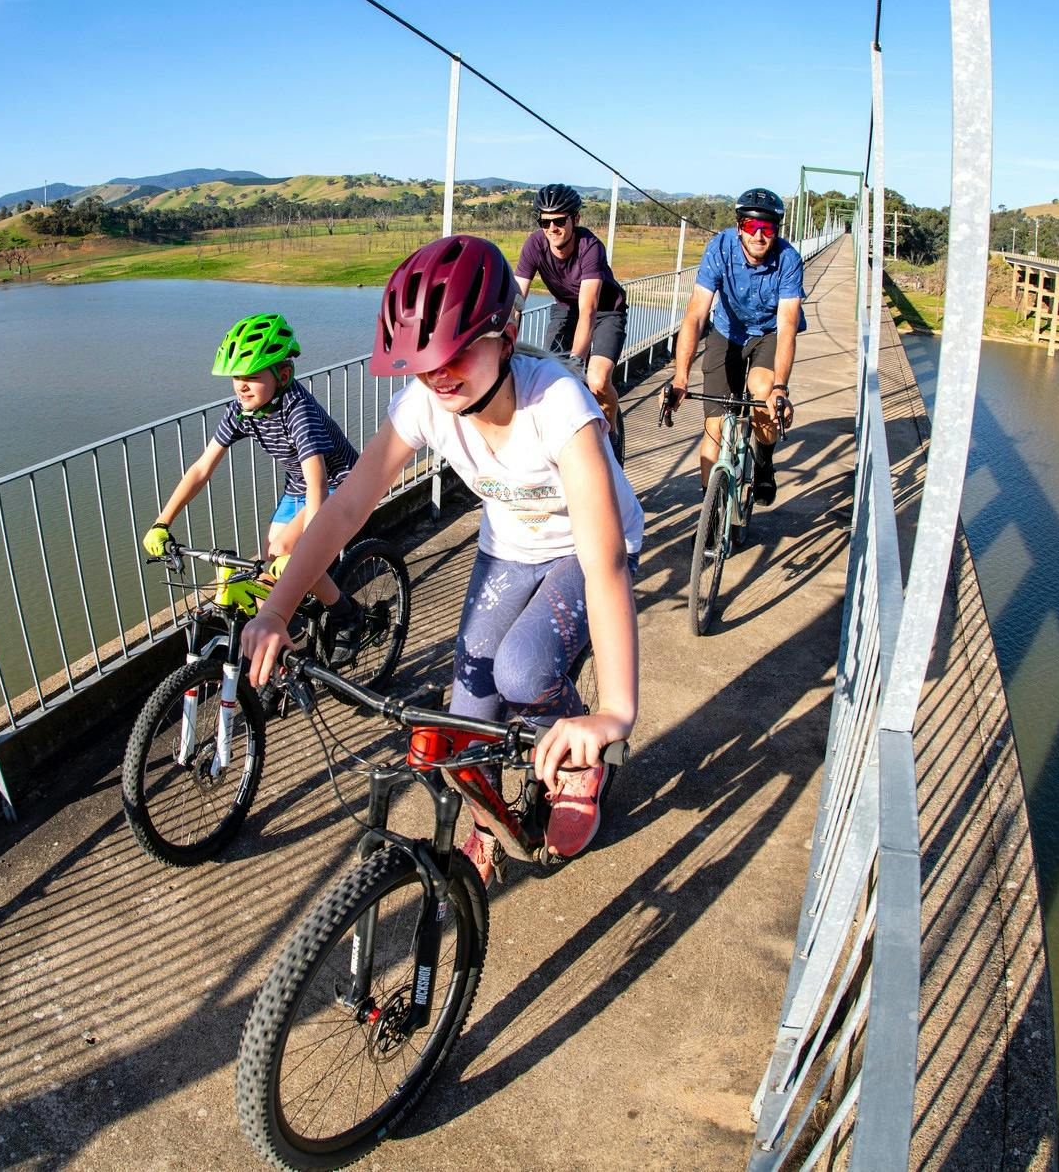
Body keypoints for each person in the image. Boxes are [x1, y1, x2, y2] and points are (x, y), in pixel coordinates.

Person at [237, 235, 642, 882]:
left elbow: (604, 565)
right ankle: (488, 823)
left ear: (507, 334)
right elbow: (344, 509)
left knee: (524, 667)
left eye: (457, 353)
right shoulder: (426, 404)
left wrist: (615, 710)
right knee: (462, 723)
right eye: (424, 363)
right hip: (509, 546)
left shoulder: (558, 405)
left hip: (584, 549)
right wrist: (280, 607)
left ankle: (577, 759)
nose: (440, 375)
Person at [144, 312, 362, 652]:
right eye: (236, 377)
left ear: (283, 374)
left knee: (290, 555)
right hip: (298, 488)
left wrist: (309, 546)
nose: (241, 385)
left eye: (252, 376)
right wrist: (162, 521)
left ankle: (347, 614)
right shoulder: (243, 410)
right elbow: (202, 468)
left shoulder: (297, 411)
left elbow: (318, 483)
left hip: (339, 484)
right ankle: (276, 671)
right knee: (266, 574)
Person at [658, 187, 803, 504]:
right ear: (740, 227)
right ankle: (711, 511)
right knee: (715, 427)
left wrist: (781, 387)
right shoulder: (720, 248)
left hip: (769, 332)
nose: (759, 236)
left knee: (762, 388)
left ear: (776, 231)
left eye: (768, 229)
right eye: (752, 227)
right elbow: (696, 314)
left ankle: (764, 461)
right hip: (727, 332)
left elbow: (789, 325)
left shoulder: (789, 259)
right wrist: (680, 378)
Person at [514, 182, 629, 446]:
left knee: (597, 381)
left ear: (575, 218)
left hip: (605, 311)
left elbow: (588, 310)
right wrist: (503, 343)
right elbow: (516, 302)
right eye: (544, 222)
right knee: (548, 374)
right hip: (566, 310)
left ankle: (611, 440)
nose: (551, 228)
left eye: (559, 221)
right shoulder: (534, 245)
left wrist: (575, 364)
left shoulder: (591, 247)